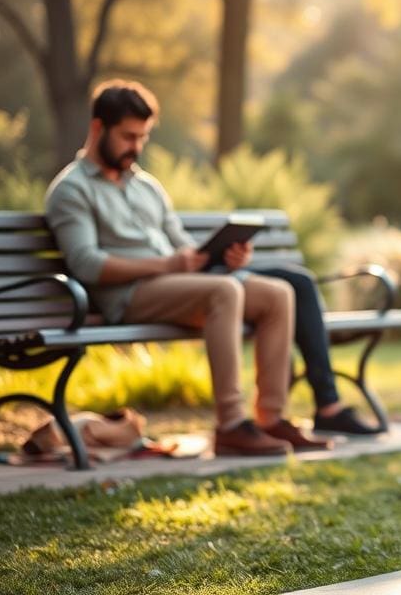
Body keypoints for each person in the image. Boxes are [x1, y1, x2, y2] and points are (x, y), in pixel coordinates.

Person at [45, 80, 331, 456]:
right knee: (224, 290)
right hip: (126, 296)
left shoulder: (146, 187)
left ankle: (271, 419)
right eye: (128, 136)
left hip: (178, 284)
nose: (136, 147)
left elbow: (182, 246)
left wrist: (223, 258)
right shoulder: (72, 189)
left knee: (278, 293)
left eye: (143, 137)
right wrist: (167, 265)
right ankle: (231, 424)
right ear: (98, 128)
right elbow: (86, 264)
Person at [245, 263, 380, 434]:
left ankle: (328, 405)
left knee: (302, 282)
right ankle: (325, 406)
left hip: (235, 270)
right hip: (219, 276)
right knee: (297, 284)